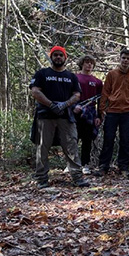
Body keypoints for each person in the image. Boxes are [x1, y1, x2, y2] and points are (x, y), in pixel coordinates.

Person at [30, 46, 90, 189]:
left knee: (71, 145)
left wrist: (65, 104)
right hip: (45, 116)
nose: (58, 57)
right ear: (51, 57)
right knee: (43, 147)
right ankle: (42, 179)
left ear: (65, 58)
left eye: (60, 55)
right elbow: (35, 91)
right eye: (55, 55)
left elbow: (77, 94)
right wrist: (51, 104)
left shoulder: (71, 76)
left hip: (66, 116)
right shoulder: (42, 74)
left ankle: (77, 177)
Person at [96, 48, 129, 177]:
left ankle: (124, 167)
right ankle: (103, 167)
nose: (125, 61)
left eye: (128, 58)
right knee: (108, 139)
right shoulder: (112, 74)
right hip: (112, 111)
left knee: (125, 140)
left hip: (128, 112)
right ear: (119, 58)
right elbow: (105, 92)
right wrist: (102, 109)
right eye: (124, 58)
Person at [71, 55, 103, 175]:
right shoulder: (74, 78)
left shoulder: (97, 82)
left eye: (91, 63)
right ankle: (72, 163)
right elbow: (69, 95)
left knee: (87, 139)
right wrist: (73, 107)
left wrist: (99, 116)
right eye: (86, 62)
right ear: (82, 64)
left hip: (90, 113)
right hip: (76, 112)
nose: (89, 65)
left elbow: (101, 100)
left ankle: (85, 164)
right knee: (73, 138)